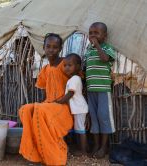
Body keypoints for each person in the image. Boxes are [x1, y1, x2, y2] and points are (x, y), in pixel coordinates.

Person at [18, 33, 73, 165]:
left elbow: (77, 85)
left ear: (60, 48)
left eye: (55, 47)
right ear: (44, 48)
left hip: (64, 107)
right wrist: (42, 104)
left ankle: (53, 155)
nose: (51, 50)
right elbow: (45, 91)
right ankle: (33, 154)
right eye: (48, 46)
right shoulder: (45, 69)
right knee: (25, 109)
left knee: (40, 110)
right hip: (49, 105)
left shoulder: (66, 64)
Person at [85, 22, 115, 158]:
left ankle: (104, 147)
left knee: (103, 116)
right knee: (94, 117)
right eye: (91, 33)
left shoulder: (107, 48)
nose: (93, 35)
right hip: (91, 89)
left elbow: (104, 59)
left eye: (96, 33)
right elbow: (86, 68)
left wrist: (97, 45)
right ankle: (96, 145)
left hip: (103, 89)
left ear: (105, 35)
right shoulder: (88, 50)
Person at [54, 53, 88, 156]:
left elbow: (70, 93)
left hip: (79, 109)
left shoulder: (74, 79)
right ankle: (81, 147)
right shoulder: (74, 79)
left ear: (77, 66)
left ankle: (83, 151)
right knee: (78, 129)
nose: (66, 68)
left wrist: (60, 101)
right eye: (65, 65)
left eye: (70, 65)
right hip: (78, 108)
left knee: (81, 130)